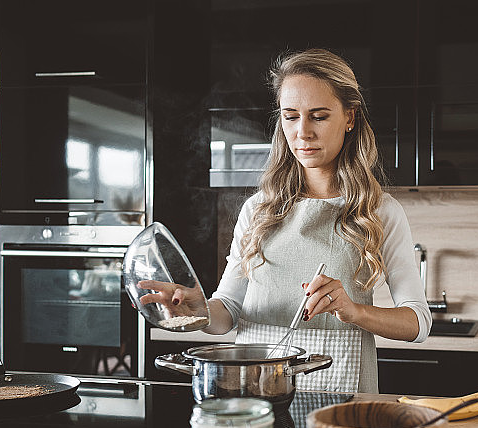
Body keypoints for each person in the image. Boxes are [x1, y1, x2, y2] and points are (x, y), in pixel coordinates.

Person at [140, 49, 431, 393]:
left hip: (342, 393)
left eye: (319, 116)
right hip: (257, 390)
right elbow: (228, 311)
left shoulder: (380, 211)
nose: (302, 132)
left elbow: (418, 322)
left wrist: (353, 312)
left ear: (350, 118)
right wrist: (200, 308)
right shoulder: (258, 210)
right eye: (291, 116)